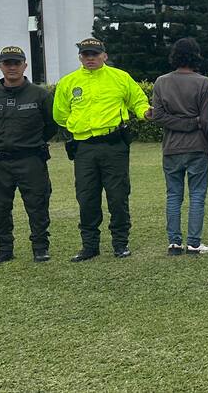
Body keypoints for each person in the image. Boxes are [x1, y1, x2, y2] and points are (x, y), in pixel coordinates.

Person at [53, 37, 151, 262]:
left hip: (113, 145)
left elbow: (137, 100)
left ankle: (120, 244)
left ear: (104, 56)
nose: (90, 58)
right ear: (80, 57)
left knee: (118, 196)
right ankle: (90, 246)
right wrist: (77, 126)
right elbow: (59, 113)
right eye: (86, 55)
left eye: (94, 54)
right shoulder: (69, 82)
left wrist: (145, 112)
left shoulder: (120, 77)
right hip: (84, 147)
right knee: (86, 197)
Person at [0, 46, 57, 264]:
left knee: (37, 204)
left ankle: (40, 247)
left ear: (25, 65)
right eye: (7, 63)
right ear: (0, 66)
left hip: (30, 159)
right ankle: (4, 249)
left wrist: (31, 143)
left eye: (16, 62)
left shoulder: (40, 95)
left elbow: (50, 126)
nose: (12, 67)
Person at [151, 38, 208, 256]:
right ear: (196, 56)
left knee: (173, 195)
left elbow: (158, 116)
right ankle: (194, 243)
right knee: (197, 195)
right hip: (197, 146)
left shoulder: (161, 82)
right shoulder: (203, 83)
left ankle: (174, 242)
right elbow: (207, 121)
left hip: (171, 147)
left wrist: (180, 123)